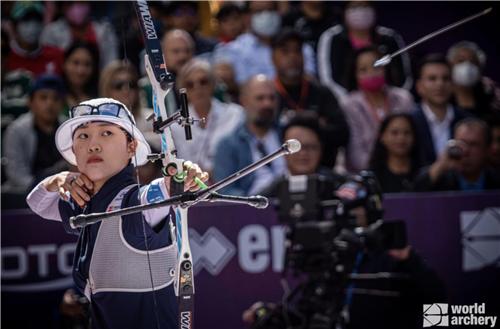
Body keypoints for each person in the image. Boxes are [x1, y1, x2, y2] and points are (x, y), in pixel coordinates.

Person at [26, 97, 208, 329]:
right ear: (73, 150)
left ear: (131, 146)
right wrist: (57, 179)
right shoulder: (84, 201)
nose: (93, 144)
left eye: (107, 133)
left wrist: (180, 180)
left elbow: (160, 192)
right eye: (83, 136)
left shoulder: (136, 202)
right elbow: (36, 203)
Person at [272, 28, 349, 168]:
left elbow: (342, 134)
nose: (293, 57)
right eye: (285, 52)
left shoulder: (322, 93)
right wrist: (317, 124)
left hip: (323, 171)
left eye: (297, 51)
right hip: (280, 173)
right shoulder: (269, 96)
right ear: (272, 57)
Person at [317, 1, 412, 100]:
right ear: (344, 10)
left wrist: (395, 98)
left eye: (365, 6)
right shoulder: (332, 37)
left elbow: (404, 76)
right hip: (345, 102)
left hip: (390, 101)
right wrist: (348, 100)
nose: (360, 11)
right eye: (354, 6)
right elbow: (328, 79)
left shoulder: (390, 37)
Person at [342, 46, 414, 173]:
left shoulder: (404, 99)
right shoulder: (349, 104)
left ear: (386, 68)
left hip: (404, 170)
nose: (371, 73)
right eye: (363, 69)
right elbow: (355, 154)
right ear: (355, 74)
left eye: (376, 67)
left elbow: (413, 141)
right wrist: (383, 172)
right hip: (366, 175)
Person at [213, 74, 287, 196]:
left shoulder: (287, 134)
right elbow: (226, 191)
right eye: (260, 98)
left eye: (272, 98)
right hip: (254, 208)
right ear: (244, 101)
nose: (267, 104)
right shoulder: (228, 145)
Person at [213, 1, 316, 84]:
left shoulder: (299, 47)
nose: (265, 15)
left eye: (270, 10)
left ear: (278, 11)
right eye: (259, 11)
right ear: (247, 16)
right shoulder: (234, 50)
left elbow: (309, 81)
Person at [172, 58, 244, 175]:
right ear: (182, 91)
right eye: (190, 85)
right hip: (194, 186)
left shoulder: (235, 114)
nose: (197, 87)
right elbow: (182, 163)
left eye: (203, 81)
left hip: (230, 179)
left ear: (213, 84)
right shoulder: (175, 124)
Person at [3, 74, 68, 193]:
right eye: (43, 98)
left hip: (62, 190)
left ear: (62, 104)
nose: (50, 103)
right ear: (30, 102)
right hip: (23, 192)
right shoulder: (16, 130)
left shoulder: (68, 128)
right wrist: (41, 191)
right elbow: (15, 173)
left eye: (55, 98)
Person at [258, 112, 344, 197]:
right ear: (283, 151)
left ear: (320, 149)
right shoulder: (266, 197)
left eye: (309, 147)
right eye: (295, 148)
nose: (303, 153)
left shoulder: (339, 187)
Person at [412, 54, 469, 167]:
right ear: (419, 86)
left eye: (446, 78)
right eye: (432, 79)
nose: (440, 84)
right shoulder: (409, 122)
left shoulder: (467, 120)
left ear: (453, 84)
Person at [415, 118, 500, 192]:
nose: (466, 151)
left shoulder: (496, 180)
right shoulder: (441, 178)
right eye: (461, 143)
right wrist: (440, 165)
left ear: (486, 148)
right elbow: (412, 194)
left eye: (473, 145)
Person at [40, 1, 118, 68]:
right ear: (63, 6)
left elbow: (111, 65)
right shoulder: (50, 32)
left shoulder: (104, 31)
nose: (76, 8)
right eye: (71, 3)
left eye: (81, 2)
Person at [5, 1, 64, 77]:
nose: (33, 26)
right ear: (14, 25)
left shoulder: (56, 56)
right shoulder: (5, 58)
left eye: (37, 20)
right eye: (26, 20)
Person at [447, 40, 500, 120]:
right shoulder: (442, 97)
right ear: (450, 66)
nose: (467, 66)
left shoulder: (492, 97)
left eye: (473, 62)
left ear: (480, 69)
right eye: (461, 61)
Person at [368, 113, 421, 193]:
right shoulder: (371, 178)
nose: (401, 138)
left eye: (407, 133)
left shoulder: (424, 172)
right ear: (382, 137)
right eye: (394, 133)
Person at [62, 42, 99, 113]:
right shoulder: (54, 96)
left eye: (87, 64)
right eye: (76, 63)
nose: (80, 71)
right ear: (64, 64)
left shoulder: (101, 99)